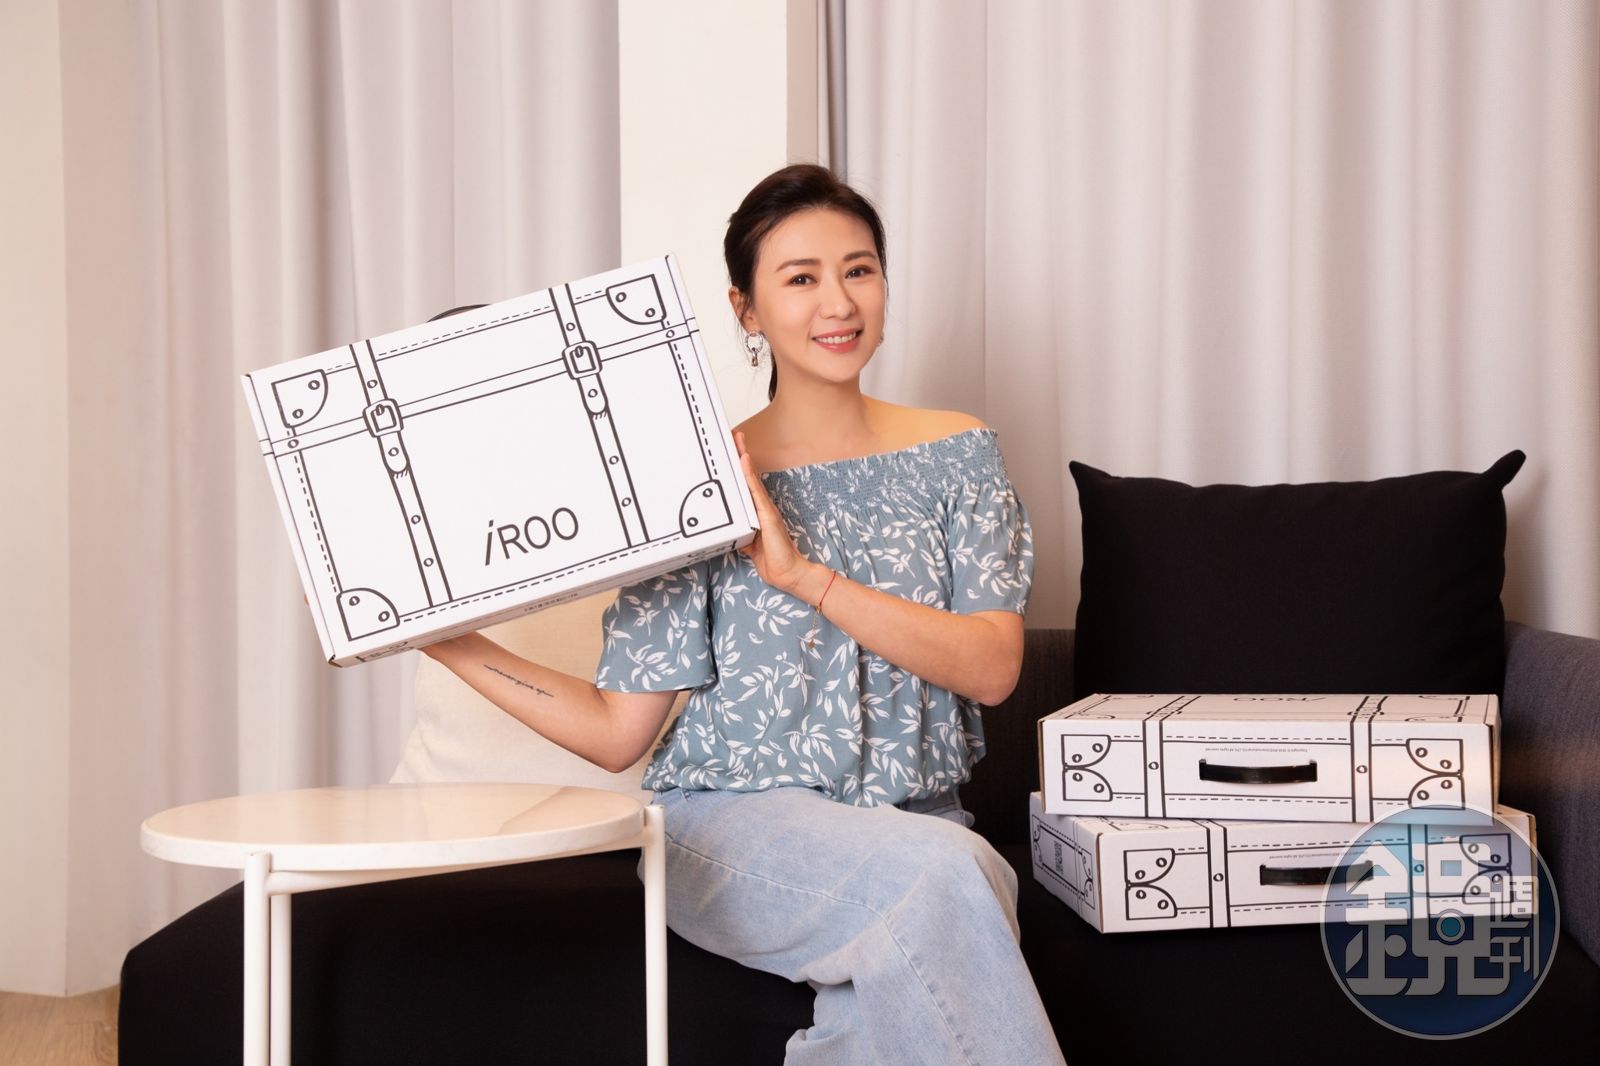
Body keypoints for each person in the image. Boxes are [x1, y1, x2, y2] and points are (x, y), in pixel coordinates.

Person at [423, 164, 1065, 1065]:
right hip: (731, 828)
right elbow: (616, 732)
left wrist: (804, 577)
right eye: (800, 278)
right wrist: (444, 640)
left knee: (944, 889)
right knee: (952, 878)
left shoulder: (959, 451)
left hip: (916, 820)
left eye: (859, 270)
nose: (838, 302)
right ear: (747, 309)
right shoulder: (697, 483)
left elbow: (993, 669)